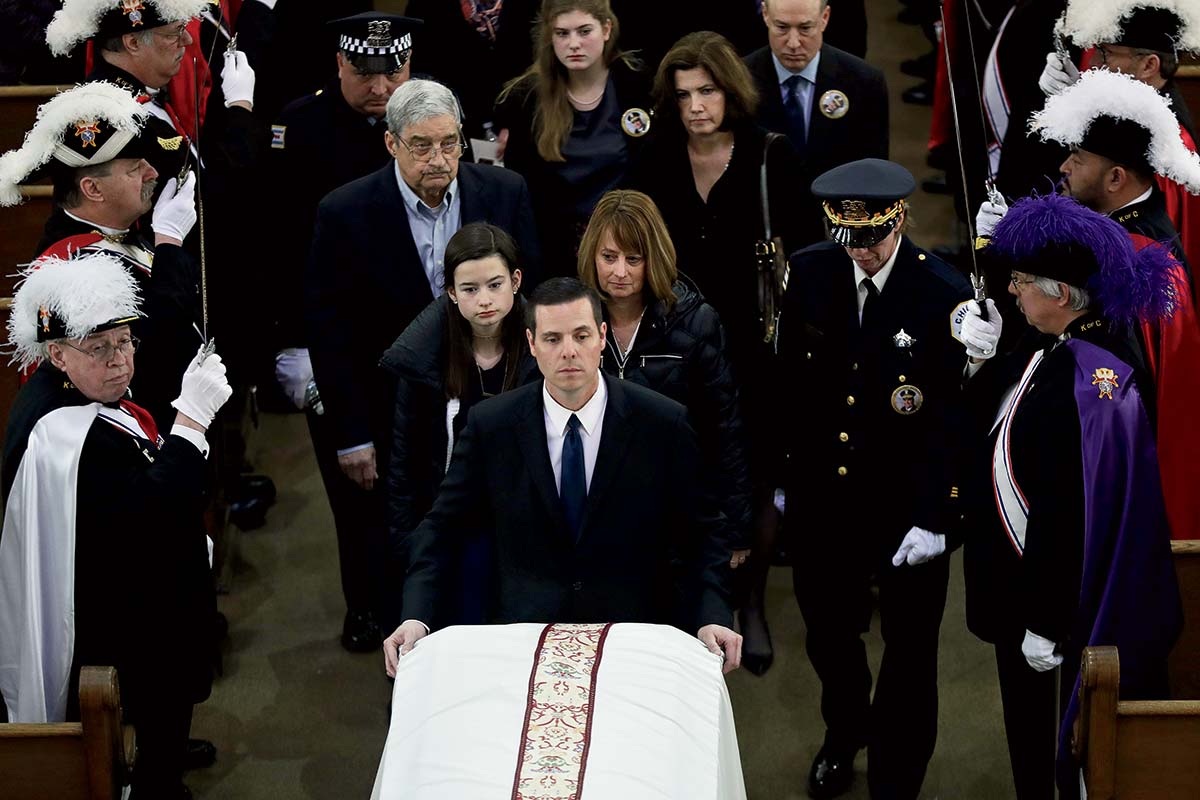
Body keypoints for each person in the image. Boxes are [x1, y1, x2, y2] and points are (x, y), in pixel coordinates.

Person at [382, 278, 741, 675]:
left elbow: (704, 531)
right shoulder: (492, 426)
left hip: (633, 637)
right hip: (523, 637)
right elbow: (441, 527)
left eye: (581, 335)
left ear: (602, 337)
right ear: (532, 344)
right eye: (552, 339)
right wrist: (415, 616)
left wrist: (714, 614)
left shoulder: (662, 422)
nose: (569, 351)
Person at [958, 192, 1182, 799]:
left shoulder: (1090, 381)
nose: (1012, 291)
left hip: (1054, 612)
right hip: (1031, 595)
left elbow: (1073, 513)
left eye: (1023, 281)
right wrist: (982, 362)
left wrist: (1047, 621)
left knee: (1053, 751)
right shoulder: (1061, 347)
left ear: (1060, 293)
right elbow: (1007, 418)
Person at [304, 77, 540, 643]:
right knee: (395, 526)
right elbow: (330, 330)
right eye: (421, 146)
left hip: (493, 395)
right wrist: (351, 434)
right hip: (386, 405)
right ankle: (399, 630)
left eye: (450, 143)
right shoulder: (344, 211)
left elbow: (532, 295)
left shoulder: (506, 192)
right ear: (391, 145)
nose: (439, 160)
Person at [0, 252, 233, 797]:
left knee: (165, 730)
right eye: (99, 349)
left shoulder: (80, 396)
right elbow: (150, 516)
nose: (120, 362)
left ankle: (163, 759)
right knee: (157, 738)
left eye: (125, 342)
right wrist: (192, 423)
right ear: (56, 354)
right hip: (128, 625)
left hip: (140, 608)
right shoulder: (63, 434)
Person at [776, 159, 972, 799]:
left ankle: (898, 772)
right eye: (850, 240)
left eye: (873, 239)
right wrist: (783, 479)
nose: (862, 253)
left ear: (900, 220)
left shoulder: (943, 292)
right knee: (830, 637)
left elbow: (951, 417)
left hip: (905, 504)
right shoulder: (808, 273)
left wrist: (940, 513)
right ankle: (845, 732)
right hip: (826, 501)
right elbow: (791, 386)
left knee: (911, 654)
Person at [628, 30, 803, 676]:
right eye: (683, 96)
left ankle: (749, 601)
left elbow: (806, 257)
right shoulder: (652, 161)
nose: (696, 106)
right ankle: (696, 598)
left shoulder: (769, 156)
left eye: (707, 91)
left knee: (754, 477)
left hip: (755, 347)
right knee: (683, 467)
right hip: (674, 346)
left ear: (730, 89)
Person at [0, 82, 202, 432]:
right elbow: (151, 354)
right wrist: (168, 244)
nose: (152, 174)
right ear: (92, 189)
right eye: (135, 168)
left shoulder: (121, 232)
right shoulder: (69, 267)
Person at [577, 189, 751, 567]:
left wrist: (735, 527)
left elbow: (724, 429)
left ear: (652, 258)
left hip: (675, 514)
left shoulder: (694, 321)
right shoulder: (572, 319)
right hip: (593, 515)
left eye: (633, 259)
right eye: (608, 257)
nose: (619, 272)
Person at [380, 223, 538, 627]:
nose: (484, 299)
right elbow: (404, 460)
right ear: (450, 292)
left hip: (523, 524)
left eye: (494, 284)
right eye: (469, 289)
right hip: (453, 519)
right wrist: (408, 545)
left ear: (516, 281)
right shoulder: (424, 358)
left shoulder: (542, 350)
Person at [495, 0, 651, 276]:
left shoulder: (638, 85)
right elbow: (522, 195)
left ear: (606, 29)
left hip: (630, 247)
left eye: (584, 31)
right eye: (562, 33)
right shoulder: (525, 100)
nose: (574, 43)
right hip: (554, 256)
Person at [1039, 1, 1199, 268]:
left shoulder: (1168, 147)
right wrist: (1071, 98)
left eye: (1105, 53)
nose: (1091, 63)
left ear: (1148, 65)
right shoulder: (1132, 120)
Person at [743, 0, 888, 239]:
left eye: (805, 28)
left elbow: (873, 175)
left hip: (837, 235)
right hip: (763, 233)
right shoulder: (739, 81)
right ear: (765, 16)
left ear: (825, 18)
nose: (792, 43)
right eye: (781, 27)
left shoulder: (864, 83)